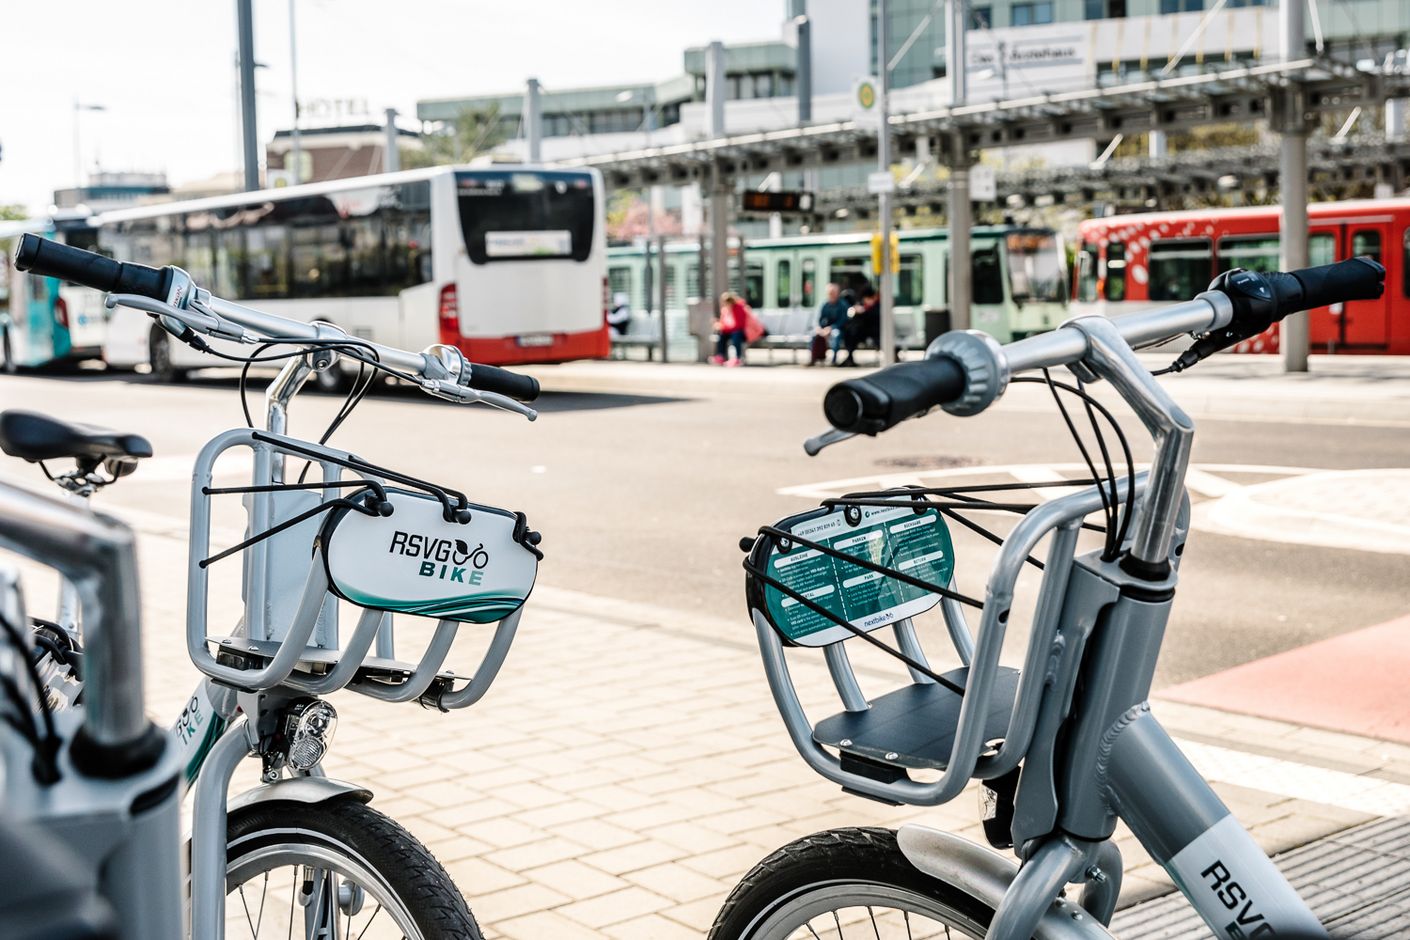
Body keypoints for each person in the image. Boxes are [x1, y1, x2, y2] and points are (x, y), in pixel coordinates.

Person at [711, 291, 759, 367]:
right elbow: (724, 323)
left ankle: (738, 358)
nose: (726, 304)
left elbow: (739, 325)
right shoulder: (725, 310)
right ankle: (720, 356)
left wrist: (725, 327)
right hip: (731, 331)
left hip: (744, 332)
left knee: (736, 335)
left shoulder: (739, 308)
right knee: (722, 335)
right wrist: (719, 325)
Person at [839, 283, 880, 367]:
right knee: (850, 332)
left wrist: (864, 312)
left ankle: (849, 358)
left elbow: (874, 318)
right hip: (863, 332)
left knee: (854, 332)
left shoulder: (877, 306)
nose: (867, 301)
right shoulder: (861, 304)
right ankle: (849, 357)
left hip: (875, 332)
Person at [811, 282, 850, 366]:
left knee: (836, 335)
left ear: (837, 293)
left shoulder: (843, 305)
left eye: (833, 293)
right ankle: (814, 358)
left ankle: (833, 360)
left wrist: (831, 328)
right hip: (825, 329)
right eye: (830, 293)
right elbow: (818, 319)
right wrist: (818, 328)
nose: (831, 295)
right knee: (814, 335)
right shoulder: (825, 304)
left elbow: (843, 320)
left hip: (837, 329)